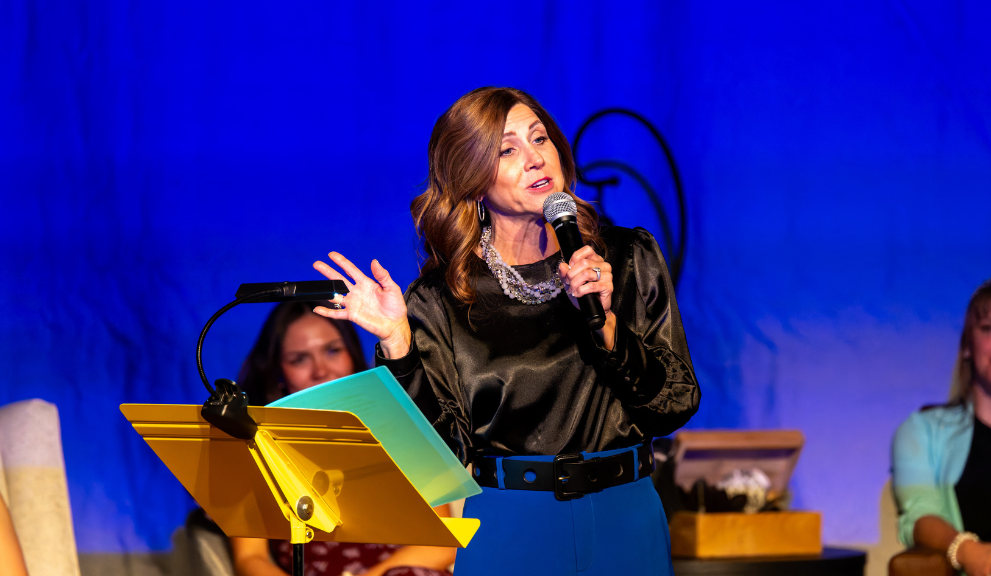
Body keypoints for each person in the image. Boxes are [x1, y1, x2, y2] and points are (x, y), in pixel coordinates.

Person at [310, 87, 700, 575]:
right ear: (473, 180)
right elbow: (442, 462)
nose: (535, 158)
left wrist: (610, 327)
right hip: (514, 523)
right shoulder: (440, 299)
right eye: (507, 150)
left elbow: (676, 402)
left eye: (540, 139)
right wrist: (397, 342)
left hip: (625, 513)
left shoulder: (625, 256)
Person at [229, 301, 456, 576]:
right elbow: (250, 559)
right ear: (278, 372)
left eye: (332, 350)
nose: (320, 370)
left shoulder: (398, 426)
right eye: (299, 359)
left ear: (353, 354)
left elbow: (444, 545)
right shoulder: (255, 447)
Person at [892, 271, 991, 576]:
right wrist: (967, 551)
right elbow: (919, 513)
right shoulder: (920, 431)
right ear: (967, 344)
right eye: (990, 328)